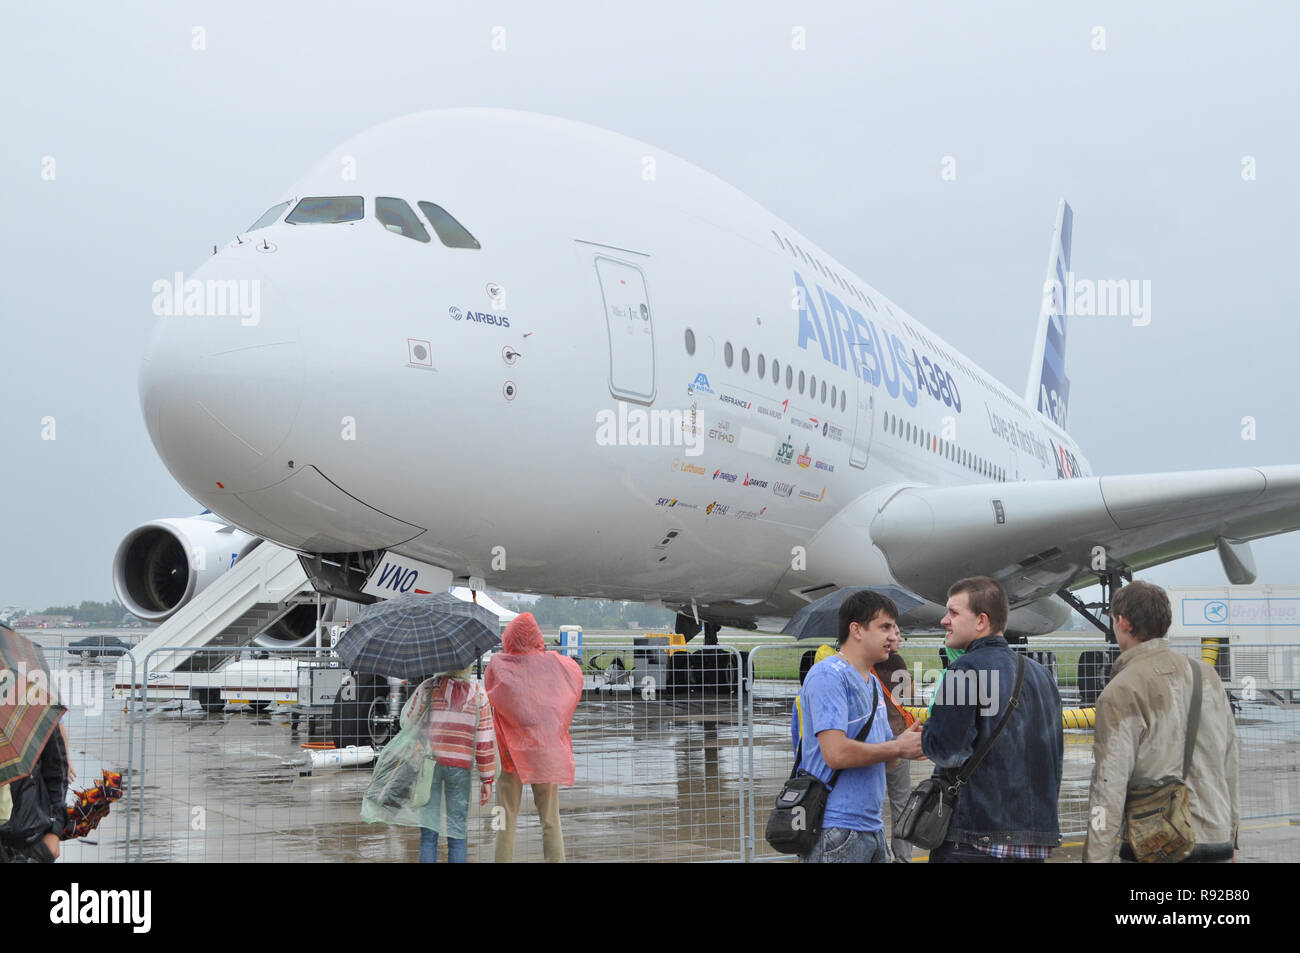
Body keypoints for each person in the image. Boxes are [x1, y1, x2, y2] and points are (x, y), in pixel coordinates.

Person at [910, 576, 1062, 862]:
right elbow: (1053, 760)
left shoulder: (963, 670)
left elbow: (948, 751)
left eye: (953, 612)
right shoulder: (1042, 676)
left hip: (975, 838)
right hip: (1033, 840)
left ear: (981, 621)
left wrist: (926, 734)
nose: (944, 620)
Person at [1084, 581, 1238, 863]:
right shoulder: (1208, 676)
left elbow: (1108, 786)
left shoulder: (1121, 690)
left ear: (1123, 622)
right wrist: (1232, 837)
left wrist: (1096, 858)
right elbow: (1229, 762)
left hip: (1155, 847)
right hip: (1215, 841)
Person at [797, 590, 928, 863]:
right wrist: (896, 746)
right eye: (885, 627)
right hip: (836, 830)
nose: (894, 635)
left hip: (870, 829)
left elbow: (885, 764)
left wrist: (903, 747)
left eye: (894, 627)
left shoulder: (870, 681)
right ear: (856, 629)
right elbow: (835, 754)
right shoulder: (828, 675)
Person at [484, 612, 583, 863]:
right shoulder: (556, 665)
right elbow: (575, 674)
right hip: (545, 753)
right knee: (550, 819)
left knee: (505, 820)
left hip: (509, 756)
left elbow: (489, 693)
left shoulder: (498, 666)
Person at [408, 666, 496, 863]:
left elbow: (409, 722)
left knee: (428, 835)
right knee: (457, 833)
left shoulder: (428, 688)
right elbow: (484, 740)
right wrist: (486, 778)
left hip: (430, 766)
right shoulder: (479, 694)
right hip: (460, 767)